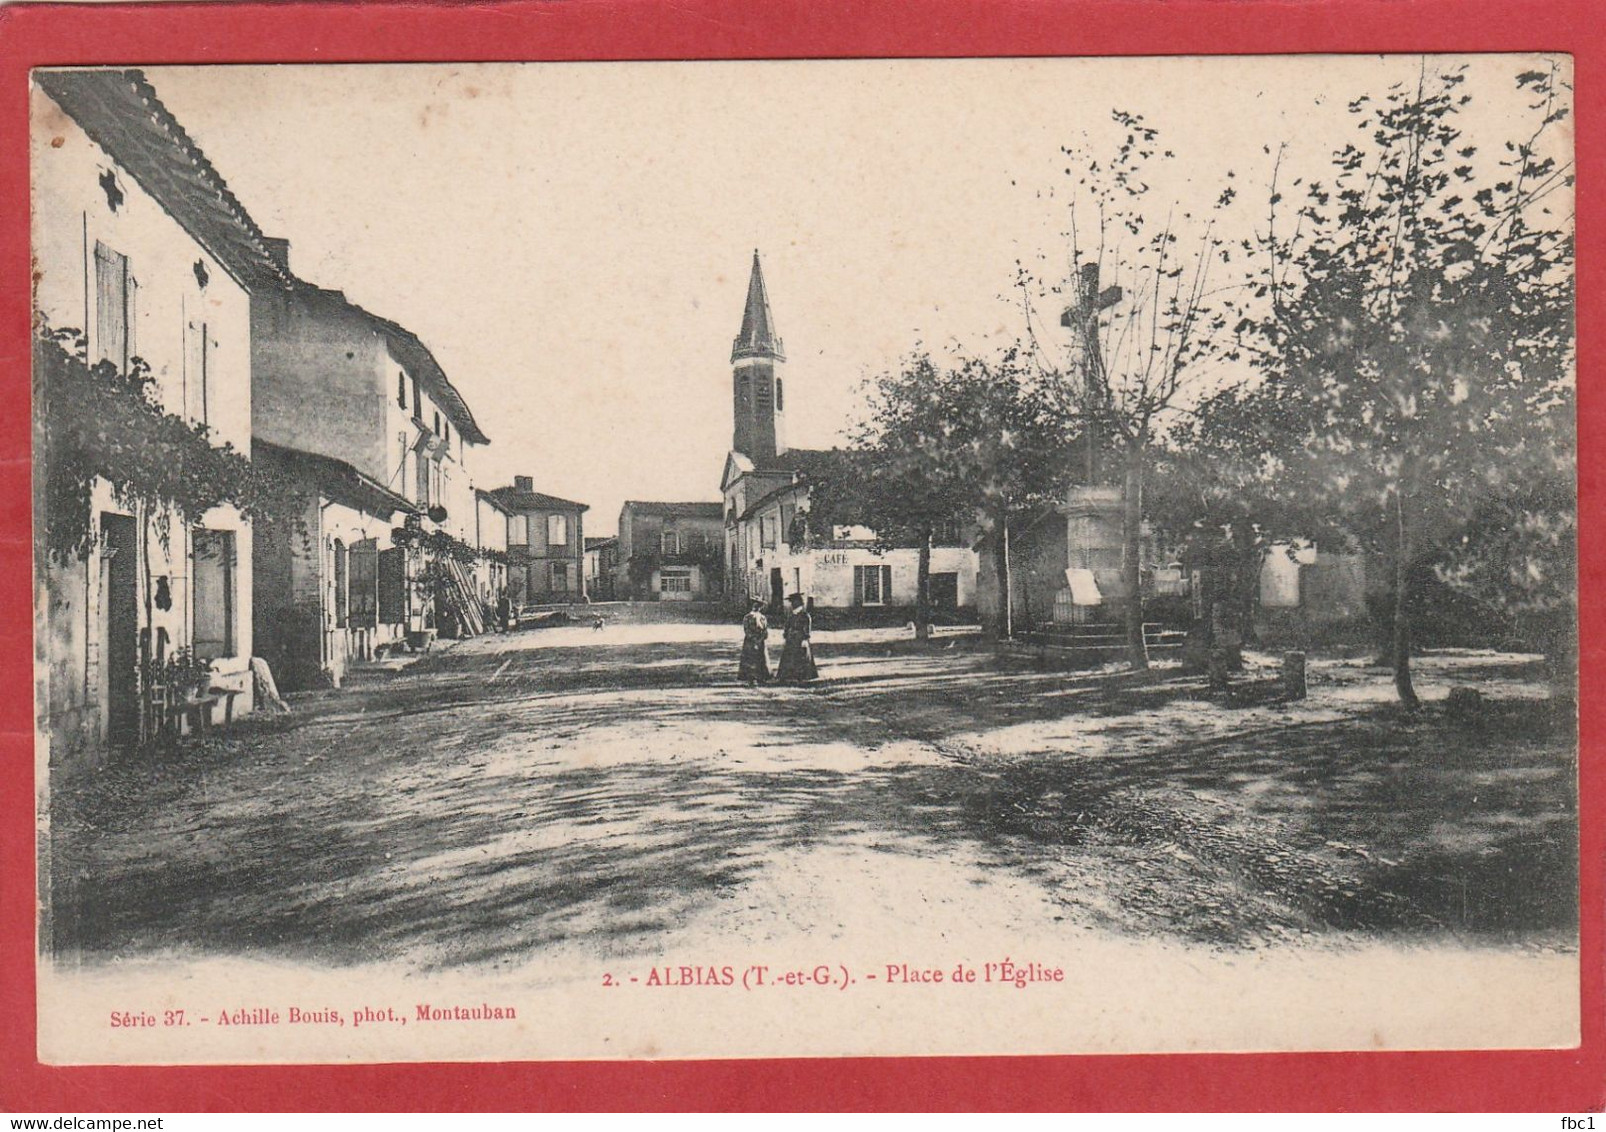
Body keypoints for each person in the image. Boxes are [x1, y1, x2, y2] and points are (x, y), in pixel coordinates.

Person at [775, 592, 819, 684]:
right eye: (791, 603)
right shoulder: (791, 615)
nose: (792, 605)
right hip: (791, 639)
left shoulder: (805, 615)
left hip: (800, 639)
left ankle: (802, 676)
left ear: (798, 603)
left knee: (801, 657)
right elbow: (787, 626)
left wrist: (805, 638)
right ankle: (788, 676)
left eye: (793, 603)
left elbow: (807, 628)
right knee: (789, 656)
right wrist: (786, 634)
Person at [738, 598, 771, 685]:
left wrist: (762, 638)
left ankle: (762, 677)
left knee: (761, 659)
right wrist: (753, 639)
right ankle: (751, 678)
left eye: (759, 606)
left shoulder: (763, 618)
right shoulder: (747, 617)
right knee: (750, 659)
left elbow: (765, 630)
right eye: (755, 605)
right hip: (750, 641)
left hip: (760, 641)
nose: (757, 607)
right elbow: (747, 630)